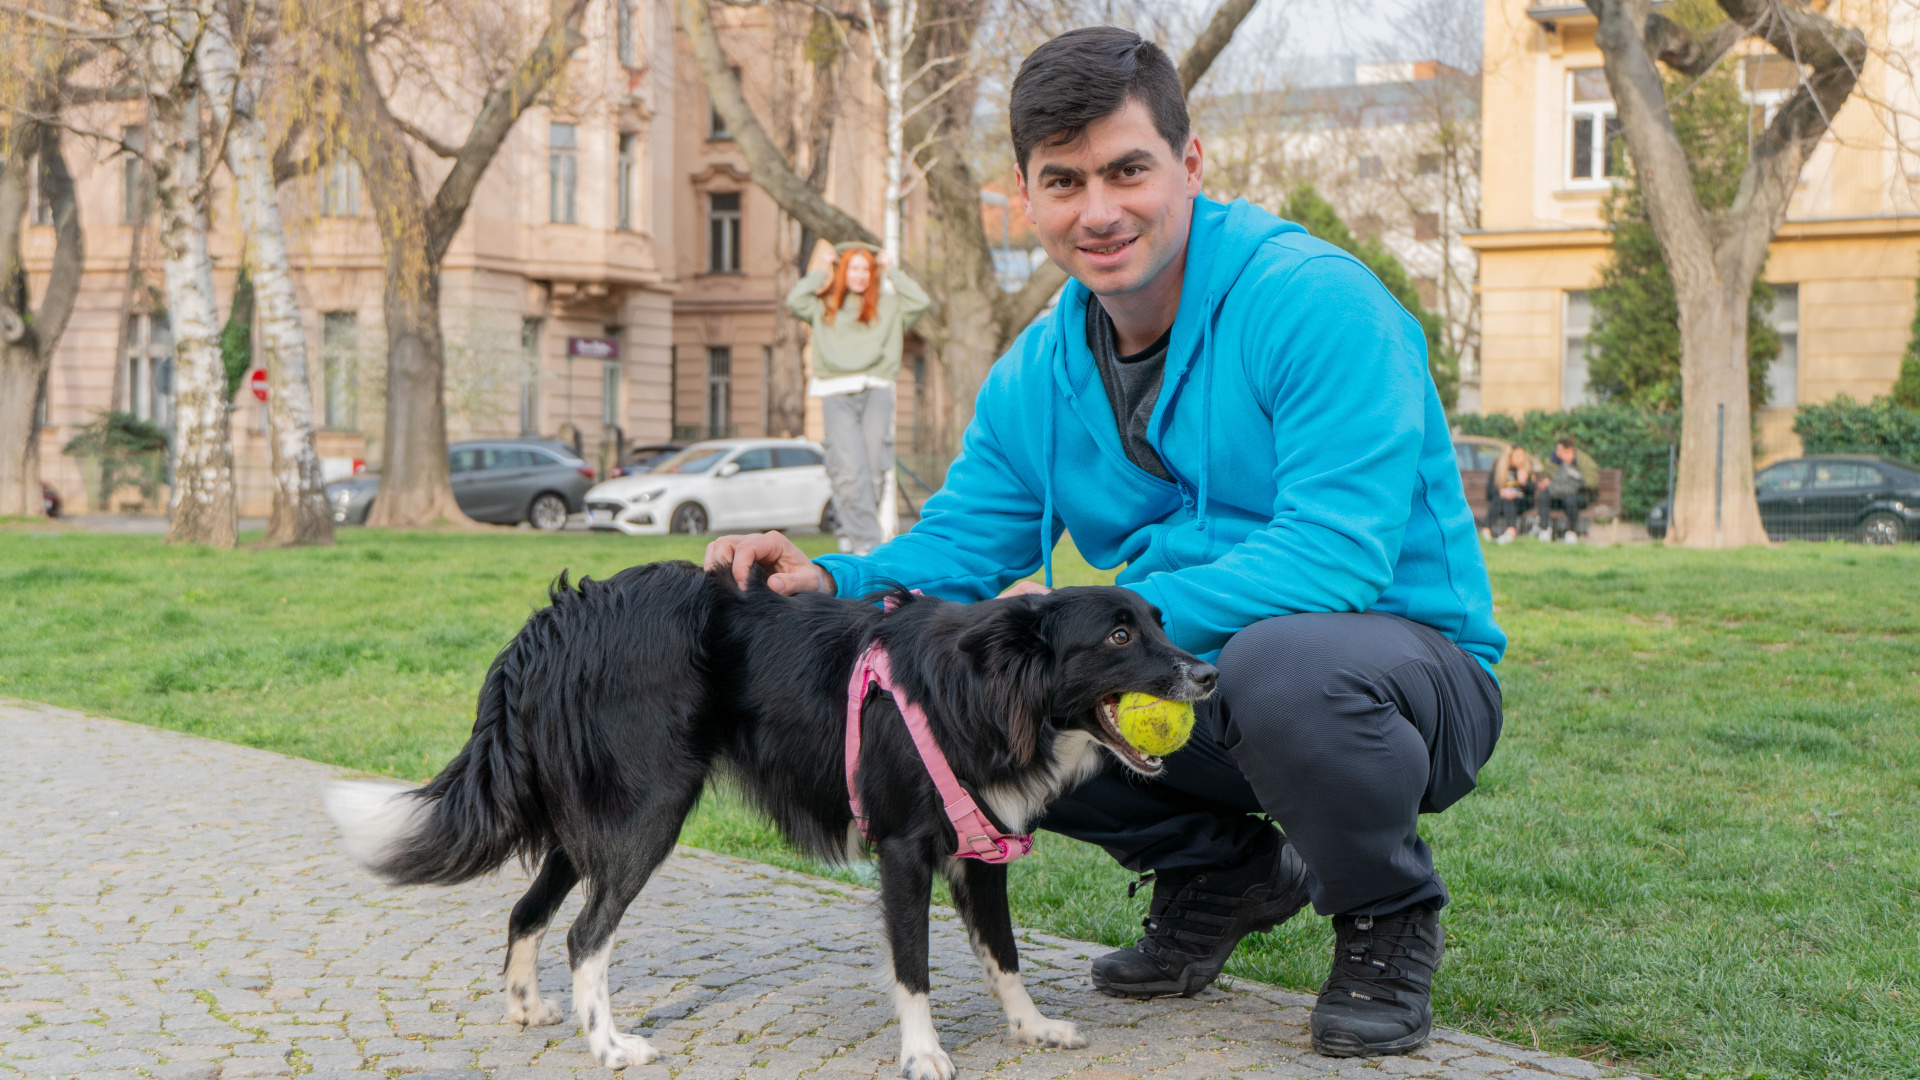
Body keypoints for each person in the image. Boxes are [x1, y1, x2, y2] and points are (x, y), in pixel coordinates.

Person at [710, 27, 1504, 1058]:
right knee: (984, 686)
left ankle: (1387, 915)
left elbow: (1336, 558)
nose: (1099, 211)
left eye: (1129, 170)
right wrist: (831, 576)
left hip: (1398, 676)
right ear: (1029, 194)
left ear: (1191, 163)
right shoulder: (1039, 369)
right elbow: (964, 537)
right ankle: (1221, 871)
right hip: (1211, 667)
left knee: (1267, 664)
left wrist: (1115, 632)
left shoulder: (1316, 304)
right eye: (1064, 181)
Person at [787, 243, 931, 555]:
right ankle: (868, 545)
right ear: (843, 271)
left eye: (866, 269)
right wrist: (821, 271)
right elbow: (795, 300)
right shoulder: (824, 305)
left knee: (876, 470)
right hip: (836, 391)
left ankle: (853, 533)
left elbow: (920, 301)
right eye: (853, 268)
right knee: (849, 470)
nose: (860, 275)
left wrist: (892, 270)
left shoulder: (888, 305)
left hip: (877, 388)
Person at [1534, 437, 1599, 543]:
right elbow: (1547, 477)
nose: (1557, 451)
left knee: (1570, 498)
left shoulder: (1583, 460)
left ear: (1570, 450)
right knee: (1543, 495)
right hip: (1557, 494)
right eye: (1557, 449)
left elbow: (1592, 481)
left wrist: (1571, 473)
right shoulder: (1551, 461)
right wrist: (1546, 481)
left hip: (1578, 495)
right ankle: (1544, 530)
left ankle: (1571, 532)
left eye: (1560, 449)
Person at [1485, 445, 1533, 544]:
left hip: (1521, 503)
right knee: (1501, 498)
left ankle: (1511, 531)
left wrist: (1524, 483)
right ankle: (1487, 531)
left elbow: (1531, 494)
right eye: (1518, 456)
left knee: (1508, 499)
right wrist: (1501, 492)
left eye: (1522, 456)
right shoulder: (1499, 470)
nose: (1521, 459)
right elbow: (1489, 493)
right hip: (1502, 503)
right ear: (1509, 457)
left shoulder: (1525, 469)